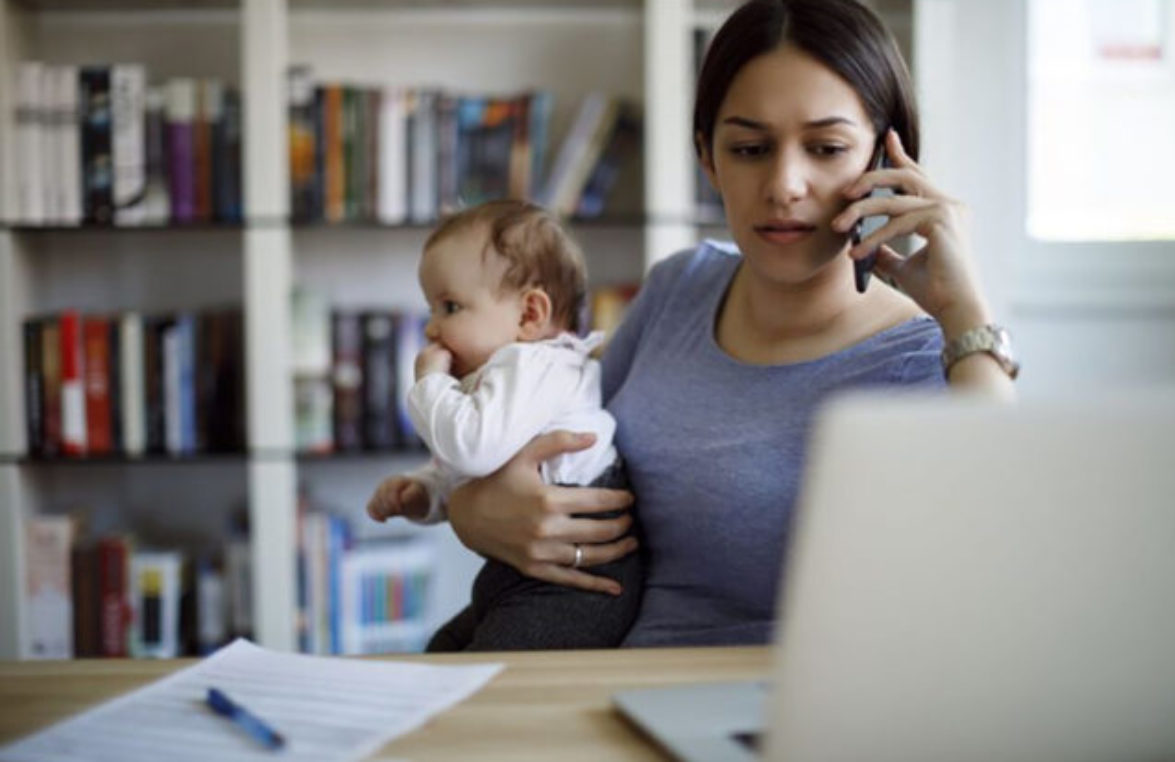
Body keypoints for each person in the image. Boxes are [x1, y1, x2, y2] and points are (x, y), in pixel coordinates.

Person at [403, 0, 1018, 648]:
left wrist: (966, 314)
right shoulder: (679, 286)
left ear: (887, 162)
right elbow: (541, 438)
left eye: (827, 148)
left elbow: (993, 573)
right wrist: (471, 511)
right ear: (708, 159)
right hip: (596, 691)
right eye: (750, 148)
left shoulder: (931, 360)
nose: (784, 183)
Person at [366, 199, 641, 651]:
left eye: (450, 307)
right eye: (431, 309)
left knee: (490, 678)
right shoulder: (506, 376)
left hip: (576, 587)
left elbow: (472, 448)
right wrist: (425, 492)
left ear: (529, 315)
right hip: (521, 573)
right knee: (441, 651)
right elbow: (475, 468)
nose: (432, 329)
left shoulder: (535, 365)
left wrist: (430, 382)